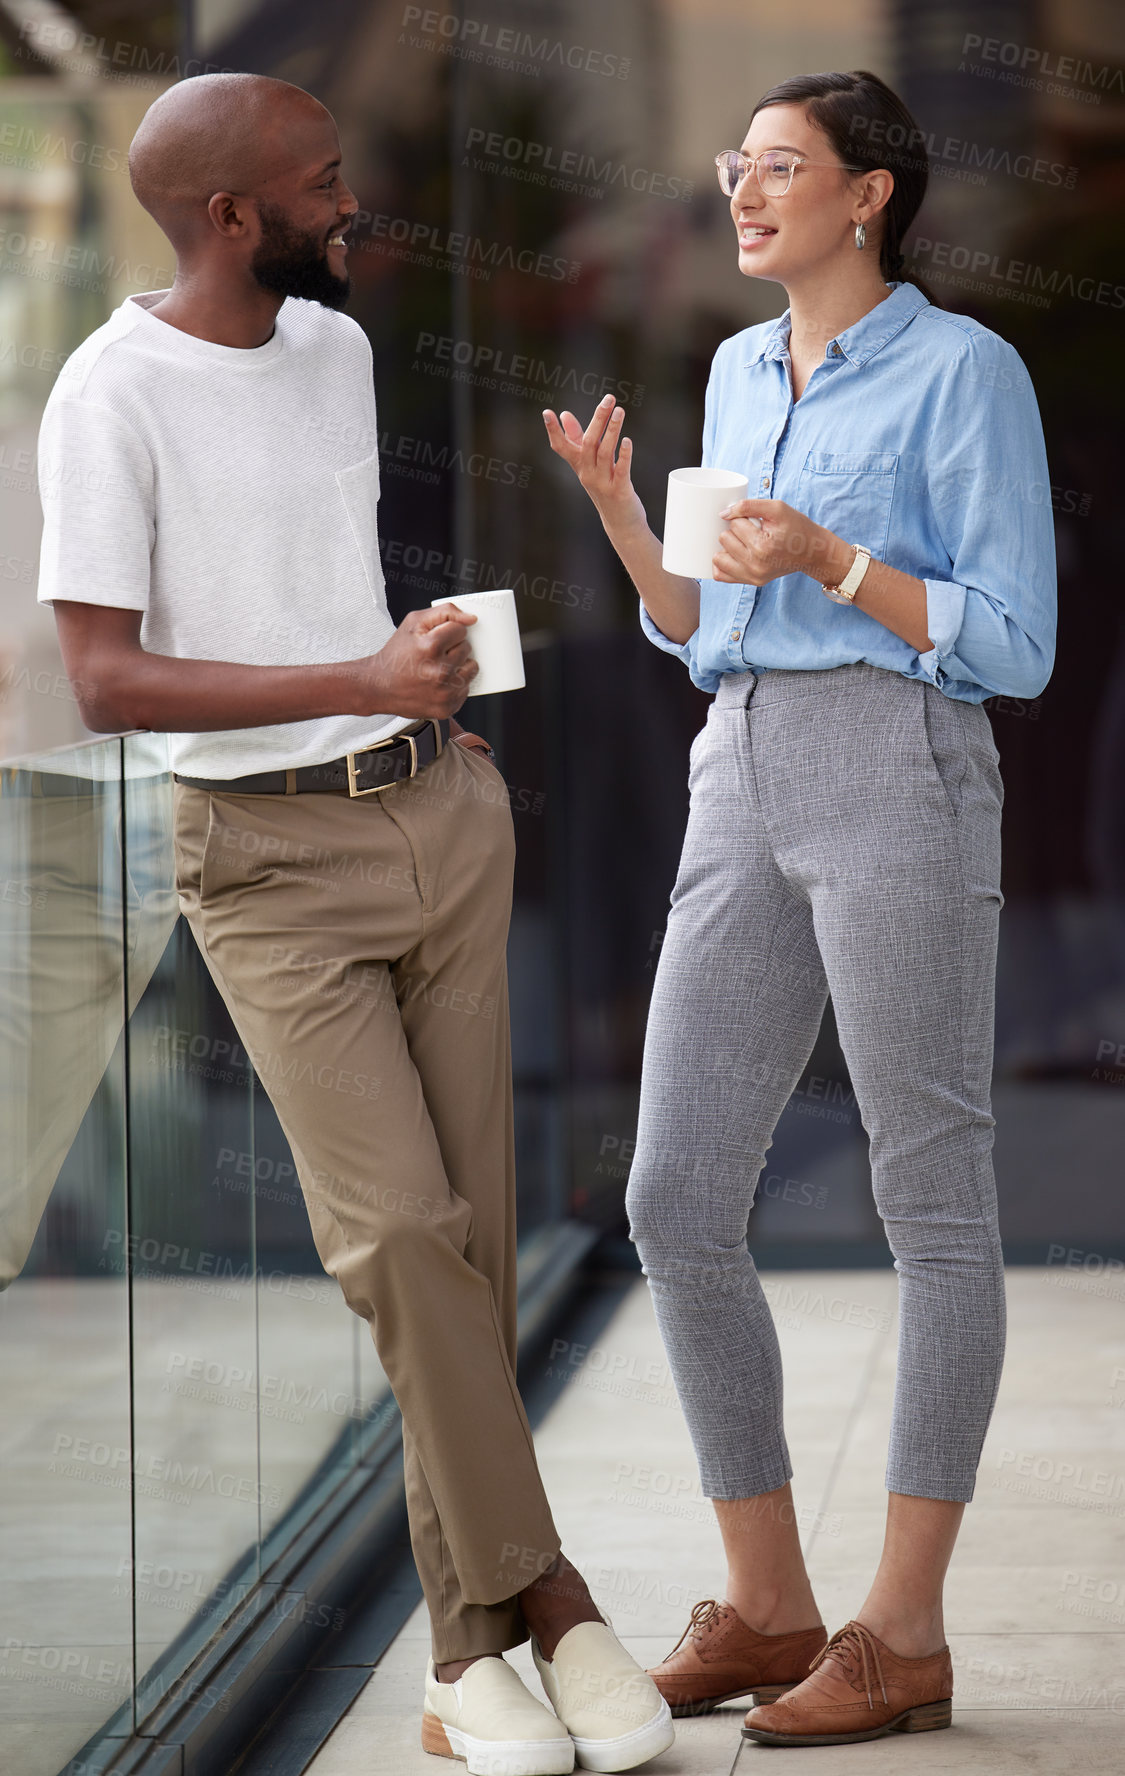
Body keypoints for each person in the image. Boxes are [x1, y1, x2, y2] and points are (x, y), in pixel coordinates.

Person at [36, 71, 674, 1776]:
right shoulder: (106, 397)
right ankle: (549, 1608)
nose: (352, 203)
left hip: (438, 813)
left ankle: (463, 1670)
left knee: (457, 1247)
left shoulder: (333, 350)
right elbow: (102, 680)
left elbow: (310, 581)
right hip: (263, 870)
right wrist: (348, 677)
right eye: (322, 184)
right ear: (229, 215)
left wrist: (406, 687)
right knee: (397, 1242)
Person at [544, 67, 1055, 1752]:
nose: (744, 194)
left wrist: (833, 559)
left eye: (780, 169)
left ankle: (897, 1636)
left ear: (867, 196)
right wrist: (629, 520)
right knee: (675, 1193)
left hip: (897, 763)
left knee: (932, 1195)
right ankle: (766, 1606)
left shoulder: (965, 371)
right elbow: (705, 633)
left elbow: (1011, 641)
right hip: (740, 763)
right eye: (734, 166)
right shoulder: (733, 368)